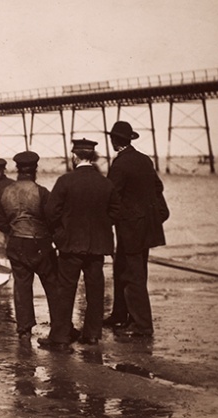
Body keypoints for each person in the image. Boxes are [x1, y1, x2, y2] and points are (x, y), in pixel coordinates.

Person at [38, 139, 121, 350]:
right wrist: (102, 228)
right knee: (95, 289)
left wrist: (59, 233)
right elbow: (116, 212)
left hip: (70, 245)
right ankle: (92, 335)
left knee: (65, 289)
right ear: (92, 157)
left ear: (75, 156)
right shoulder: (106, 183)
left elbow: (51, 212)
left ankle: (60, 337)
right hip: (97, 246)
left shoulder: (65, 181)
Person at [104, 121, 169, 337]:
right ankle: (120, 315)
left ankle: (142, 325)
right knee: (129, 269)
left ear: (115, 141)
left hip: (130, 228)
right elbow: (158, 187)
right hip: (146, 227)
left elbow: (111, 194)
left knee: (132, 275)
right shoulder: (144, 160)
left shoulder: (120, 164)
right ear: (129, 139)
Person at [0, 151, 59, 342]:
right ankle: (59, 326)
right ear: (35, 169)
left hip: (16, 242)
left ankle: (24, 329)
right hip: (39, 242)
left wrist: (13, 229)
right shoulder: (42, 192)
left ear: (17, 169)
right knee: (52, 284)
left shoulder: (6, 192)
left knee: (22, 286)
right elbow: (52, 219)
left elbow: (1, 222)